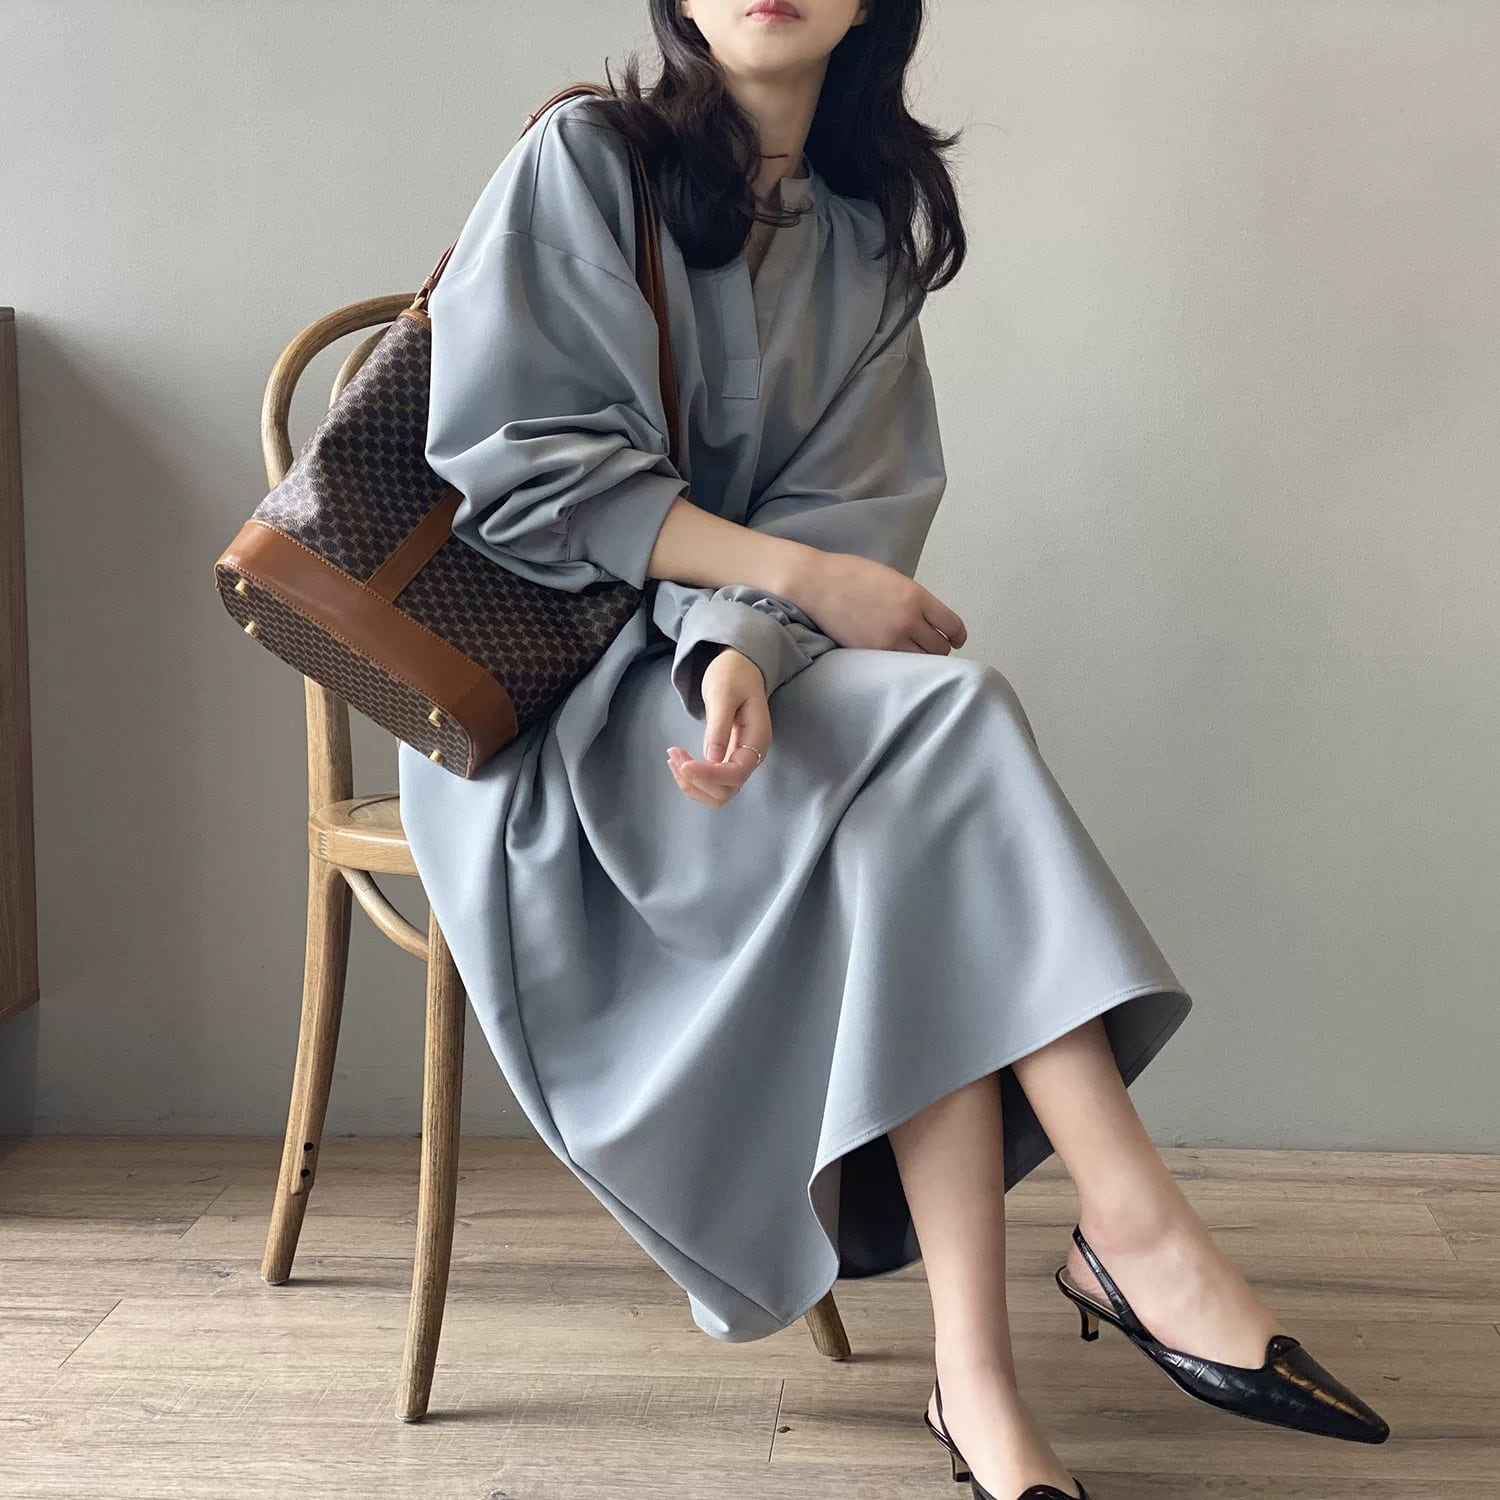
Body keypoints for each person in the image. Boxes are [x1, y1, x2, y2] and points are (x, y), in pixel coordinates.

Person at [395, 3, 1390, 1496]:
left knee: (920, 795)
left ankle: (985, 1382)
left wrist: (746, 642)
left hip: (733, 689)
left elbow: (846, 499)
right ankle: (1129, 1238)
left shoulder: (865, 231)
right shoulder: (586, 161)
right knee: (943, 738)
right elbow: (528, 474)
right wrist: (791, 587)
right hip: (553, 725)